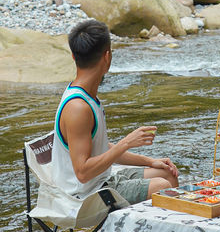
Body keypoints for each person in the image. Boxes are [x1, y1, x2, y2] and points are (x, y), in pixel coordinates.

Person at [51, 18, 178, 205]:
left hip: (101, 182)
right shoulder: (78, 108)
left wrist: (150, 161)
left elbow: (101, 147)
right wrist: (126, 142)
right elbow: (83, 172)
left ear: (73, 57)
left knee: (167, 173)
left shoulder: (87, 97)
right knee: (162, 187)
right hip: (83, 197)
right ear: (107, 57)